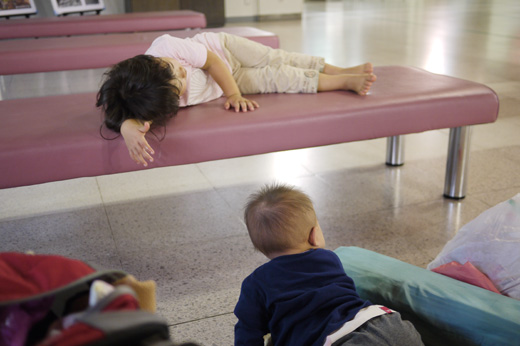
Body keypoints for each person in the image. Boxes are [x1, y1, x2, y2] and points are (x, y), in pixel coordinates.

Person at [96, 32, 377, 167]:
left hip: (225, 53)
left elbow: (214, 62)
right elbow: (122, 111)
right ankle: (345, 82)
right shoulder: (151, 99)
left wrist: (233, 94)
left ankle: (341, 70)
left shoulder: (166, 47)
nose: (181, 71)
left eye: (173, 68)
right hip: (229, 82)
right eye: (179, 81)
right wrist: (125, 126)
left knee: (277, 58)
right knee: (278, 78)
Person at [235, 183, 423, 346]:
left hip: (336, 339)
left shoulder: (256, 283)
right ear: (314, 235)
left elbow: (248, 332)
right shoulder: (329, 258)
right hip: (386, 322)